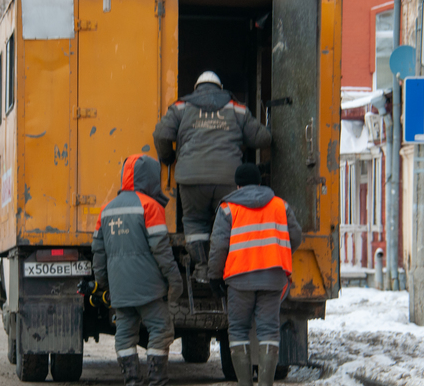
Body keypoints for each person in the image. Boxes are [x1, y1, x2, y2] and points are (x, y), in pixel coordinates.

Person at [153, 71, 272, 283]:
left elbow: (161, 134)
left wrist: (168, 158)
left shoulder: (181, 107)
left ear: (196, 87)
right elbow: (262, 138)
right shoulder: (237, 108)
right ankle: (229, 268)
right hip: (228, 179)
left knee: (194, 221)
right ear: (221, 87)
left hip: (191, 179)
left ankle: (201, 269)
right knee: (226, 223)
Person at [92, 154, 183, 386]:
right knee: (161, 329)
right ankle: (156, 380)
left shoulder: (106, 210)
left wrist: (103, 283)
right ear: (151, 177)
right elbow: (161, 250)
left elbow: (98, 253)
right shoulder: (150, 207)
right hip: (149, 288)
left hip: (120, 288)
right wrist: (174, 278)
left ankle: (132, 381)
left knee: (124, 333)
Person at [208, 163, 302, 386]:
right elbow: (296, 235)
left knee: (238, 329)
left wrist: (214, 276)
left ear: (238, 185)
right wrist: (279, 253)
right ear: (260, 183)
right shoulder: (281, 205)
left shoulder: (228, 208)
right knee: (269, 329)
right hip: (273, 278)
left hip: (240, 279)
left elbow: (219, 245)